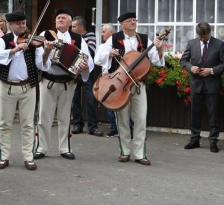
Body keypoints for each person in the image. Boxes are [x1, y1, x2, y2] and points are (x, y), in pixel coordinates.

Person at [94, 12, 165, 165]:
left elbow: (157, 61)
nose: (133, 22)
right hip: (119, 84)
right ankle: (125, 151)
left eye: (134, 20)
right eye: (129, 20)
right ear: (122, 24)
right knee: (123, 120)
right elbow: (98, 57)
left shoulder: (144, 39)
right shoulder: (114, 38)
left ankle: (140, 154)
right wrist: (109, 53)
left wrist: (159, 49)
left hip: (138, 85)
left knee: (140, 119)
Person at [0, 10, 53, 170]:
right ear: (11, 25)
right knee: (5, 123)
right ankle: (3, 157)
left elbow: (41, 65)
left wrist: (46, 51)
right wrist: (15, 49)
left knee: (28, 124)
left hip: (28, 86)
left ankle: (28, 157)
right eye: (18, 23)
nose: (22, 26)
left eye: (24, 23)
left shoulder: (34, 41)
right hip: (7, 86)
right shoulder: (5, 40)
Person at [34, 8, 93, 161]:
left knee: (65, 117)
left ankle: (65, 148)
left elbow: (88, 60)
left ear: (70, 22)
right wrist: (47, 51)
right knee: (44, 116)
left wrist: (84, 66)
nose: (60, 20)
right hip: (48, 80)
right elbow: (39, 61)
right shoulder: (45, 35)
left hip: (68, 82)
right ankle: (41, 147)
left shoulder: (78, 39)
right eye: (58, 18)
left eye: (63, 18)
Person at [180, 22, 224, 153]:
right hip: (196, 84)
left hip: (212, 84)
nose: (202, 39)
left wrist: (212, 70)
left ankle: (213, 141)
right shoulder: (192, 43)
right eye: (200, 37)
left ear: (209, 33)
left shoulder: (218, 44)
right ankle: (194, 139)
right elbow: (183, 61)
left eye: (204, 37)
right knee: (195, 113)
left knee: (213, 114)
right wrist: (191, 68)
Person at [70, 16, 103, 136]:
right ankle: (77, 124)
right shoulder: (71, 37)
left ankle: (93, 126)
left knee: (90, 98)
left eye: (74, 26)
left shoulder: (90, 36)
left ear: (81, 27)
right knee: (75, 98)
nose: (72, 28)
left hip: (86, 71)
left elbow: (91, 52)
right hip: (74, 69)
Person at [100, 23, 119, 137]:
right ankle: (113, 127)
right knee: (109, 102)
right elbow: (97, 60)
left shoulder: (119, 43)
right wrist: (108, 54)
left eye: (103, 31)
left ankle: (129, 128)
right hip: (107, 77)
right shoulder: (103, 46)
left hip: (120, 77)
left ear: (111, 33)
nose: (102, 34)